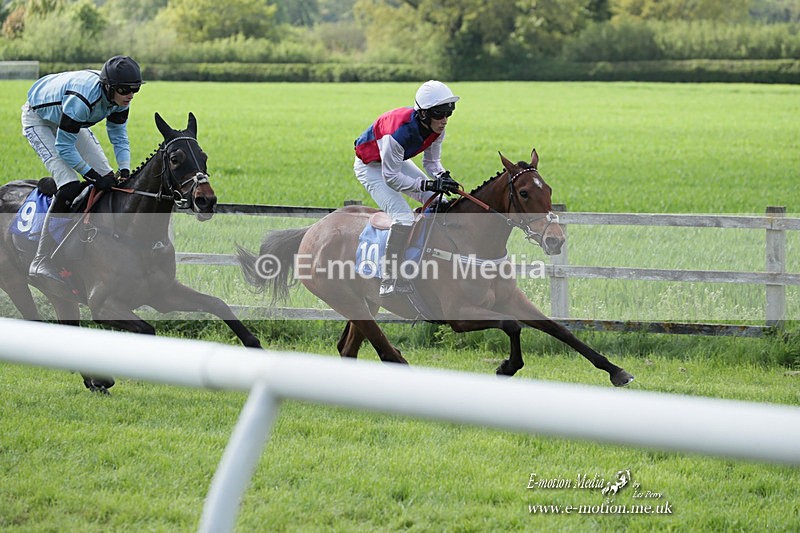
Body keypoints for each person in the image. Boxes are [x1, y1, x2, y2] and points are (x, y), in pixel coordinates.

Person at [22, 55, 143, 285]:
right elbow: (64, 147)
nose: (130, 95)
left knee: (110, 179)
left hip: (68, 117)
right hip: (39, 120)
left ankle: (91, 243)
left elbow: (119, 136)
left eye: (135, 90)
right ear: (109, 88)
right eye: (125, 89)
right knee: (69, 185)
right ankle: (41, 258)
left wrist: (124, 169)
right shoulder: (83, 99)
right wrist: (92, 177)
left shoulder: (120, 100)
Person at [354, 80, 462, 297]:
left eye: (449, 113)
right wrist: (428, 183)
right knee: (403, 217)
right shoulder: (399, 133)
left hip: (395, 161)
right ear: (423, 114)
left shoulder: (437, 129)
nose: (445, 120)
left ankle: (430, 258)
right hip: (371, 168)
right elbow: (391, 178)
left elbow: (431, 163)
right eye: (439, 114)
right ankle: (389, 277)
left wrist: (443, 176)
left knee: (438, 201)